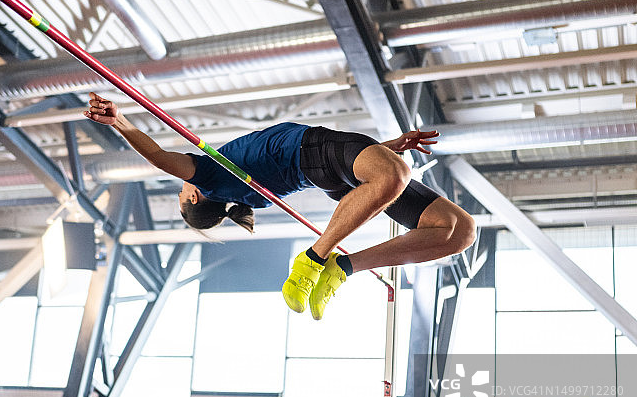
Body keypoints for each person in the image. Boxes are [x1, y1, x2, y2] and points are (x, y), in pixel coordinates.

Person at [84, 93, 475, 320]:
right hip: (318, 150)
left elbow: (342, 166)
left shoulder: (249, 195)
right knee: (395, 175)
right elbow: (157, 156)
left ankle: (343, 267)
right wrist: (120, 121)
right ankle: (314, 259)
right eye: (180, 192)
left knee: (459, 231)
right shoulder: (208, 176)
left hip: (333, 171)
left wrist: (385, 150)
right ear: (193, 197)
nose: (181, 185)